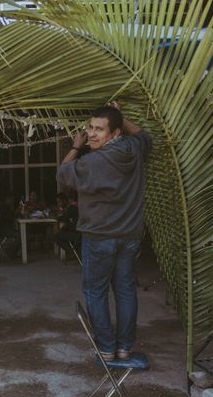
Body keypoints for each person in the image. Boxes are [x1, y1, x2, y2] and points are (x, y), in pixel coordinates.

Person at [57, 105, 151, 361]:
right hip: (129, 237)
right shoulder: (133, 149)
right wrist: (120, 115)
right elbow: (144, 136)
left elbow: (63, 175)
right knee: (125, 290)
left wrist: (75, 146)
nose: (91, 134)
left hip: (99, 237)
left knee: (96, 291)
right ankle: (124, 347)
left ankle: (108, 348)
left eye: (99, 129)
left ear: (115, 133)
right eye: (90, 128)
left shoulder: (93, 162)